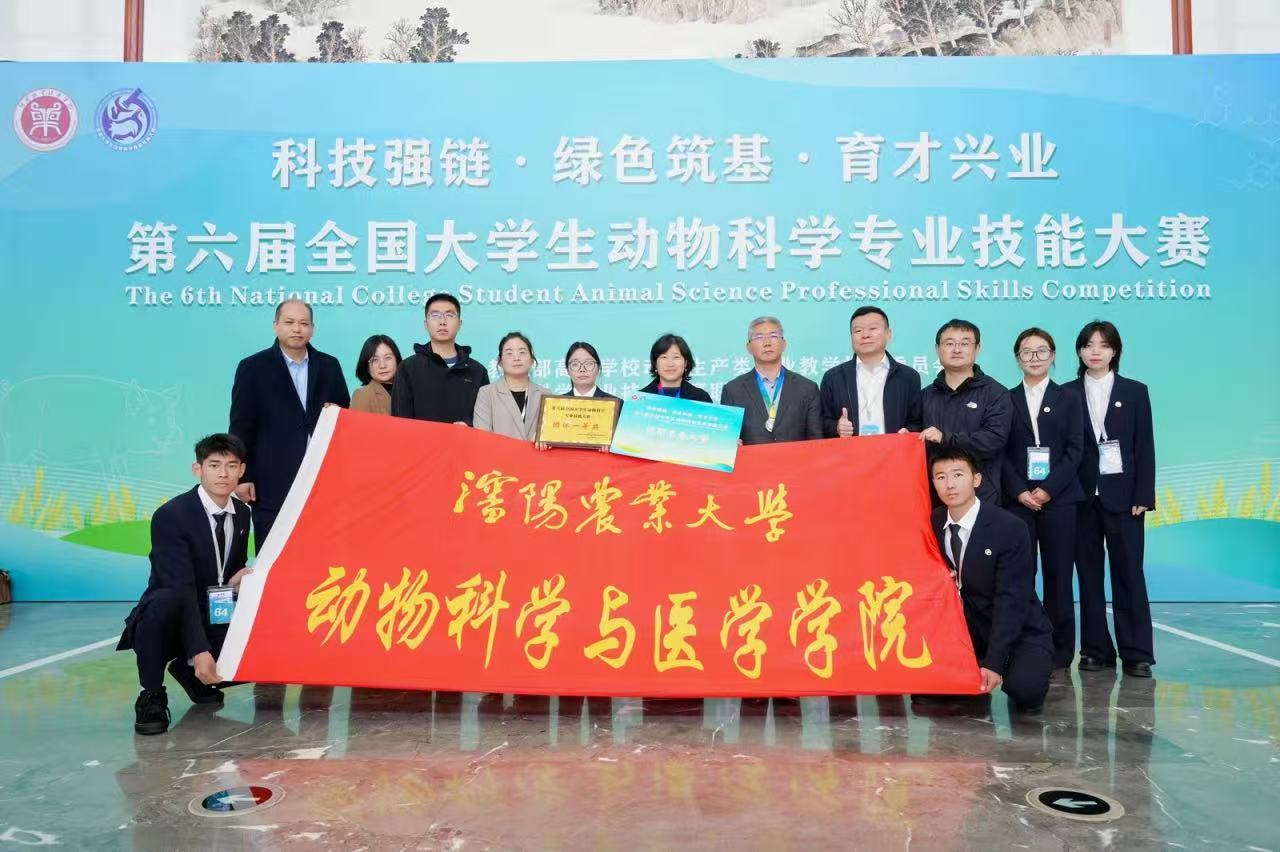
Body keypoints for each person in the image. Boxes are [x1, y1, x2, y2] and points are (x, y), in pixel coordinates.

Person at [117, 434, 253, 735]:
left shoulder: (242, 513)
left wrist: (235, 582)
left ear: (242, 470)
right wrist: (199, 649)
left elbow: (228, 569)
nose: (223, 474)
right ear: (197, 469)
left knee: (263, 652)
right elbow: (179, 586)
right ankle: (151, 693)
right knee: (161, 604)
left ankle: (188, 671)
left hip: (213, 606)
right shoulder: (171, 515)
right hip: (173, 611)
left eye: (231, 466)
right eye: (214, 465)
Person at [930, 448, 1054, 714]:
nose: (949, 484)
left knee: (1025, 690)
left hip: (1017, 627)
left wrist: (995, 662)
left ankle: (1015, 664)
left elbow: (1012, 601)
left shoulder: (1009, 527)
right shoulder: (932, 522)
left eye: (958, 475)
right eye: (940, 477)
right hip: (965, 631)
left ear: (976, 479)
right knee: (929, 693)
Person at [1064, 320, 1156, 678]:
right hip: (1081, 498)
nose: (1095, 352)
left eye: (1103, 345)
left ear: (1115, 350)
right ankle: (1095, 649)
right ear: (1079, 351)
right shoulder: (1067, 393)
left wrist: (1143, 494)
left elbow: (1144, 446)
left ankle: (1137, 652)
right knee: (1088, 576)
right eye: (1088, 345)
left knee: (1129, 573)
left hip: (1125, 497)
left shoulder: (1135, 391)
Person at [229, 299, 350, 549]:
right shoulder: (253, 367)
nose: (297, 329)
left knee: (322, 553)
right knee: (274, 555)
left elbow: (344, 417)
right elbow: (241, 426)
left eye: (304, 323)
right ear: (276, 326)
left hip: (323, 481)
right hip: (271, 482)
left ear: (312, 329)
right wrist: (243, 476)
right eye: (289, 322)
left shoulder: (329, 365)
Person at [1001, 328, 1086, 673]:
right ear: (1017, 358)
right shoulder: (1005, 399)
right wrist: (1020, 490)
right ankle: (1024, 646)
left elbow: (1076, 450)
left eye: (1041, 351)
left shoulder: (1070, 398)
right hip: (1018, 501)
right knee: (1020, 576)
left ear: (1053, 356)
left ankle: (1060, 652)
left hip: (1060, 499)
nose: (1034, 358)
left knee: (1058, 575)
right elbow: (1001, 452)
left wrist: (1048, 489)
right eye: (1027, 351)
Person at [919, 319, 1012, 506]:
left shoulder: (996, 393)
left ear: (978, 348)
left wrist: (945, 438)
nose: (957, 349)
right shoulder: (925, 395)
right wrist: (906, 437)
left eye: (964, 343)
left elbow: (993, 439)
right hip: (935, 497)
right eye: (949, 343)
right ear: (937, 349)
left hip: (982, 496)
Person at [819, 306, 922, 438]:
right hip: (849, 450)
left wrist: (908, 432)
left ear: (888, 334)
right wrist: (836, 427)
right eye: (858, 330)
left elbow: (917, 421)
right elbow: (821, 421)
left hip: (893, 449)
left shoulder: (908, 377)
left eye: (873, 328)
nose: (865, 335)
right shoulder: (833, 377)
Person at [720, 316, 821, 445]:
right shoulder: (732, 390)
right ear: (748, 347)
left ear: (784, 344)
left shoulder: (807, 388)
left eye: (773, 336)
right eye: (759, 337)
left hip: (797, 458)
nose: (767, 343)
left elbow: (816, 440)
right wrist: (730, 444)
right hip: (752, 458)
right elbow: (727, 440)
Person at [390, 293, 489, 424]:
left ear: (459, 324)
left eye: (449, 315)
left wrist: (469, 426)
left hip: (466, 438)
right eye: (435, 315)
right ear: (426, 324)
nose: (442, 322)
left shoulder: (477, 371)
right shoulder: (408, 368)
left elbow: (486, 420)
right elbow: (400, 420)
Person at [472, 332, 550, 441]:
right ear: (500, 361)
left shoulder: (546, 394)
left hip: (536, 453)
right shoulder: (487, 393)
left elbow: (552, 434)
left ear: (532, 360)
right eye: (509, 353)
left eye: (522, 352)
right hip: (498, 452)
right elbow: (482, 437)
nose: (516, 358)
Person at [639, 333, 712, 403]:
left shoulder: (701, 398)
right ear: (655, 363)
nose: (670, 364)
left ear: (685, 363)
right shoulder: (640, 398)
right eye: (664, 357)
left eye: (676, 357)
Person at [350, 334, 402, 416]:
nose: (382, 365)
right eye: (374, 360)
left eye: (387, 358)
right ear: (366, 366)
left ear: (397, 359)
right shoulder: (363, 395)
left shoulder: (409, 389)